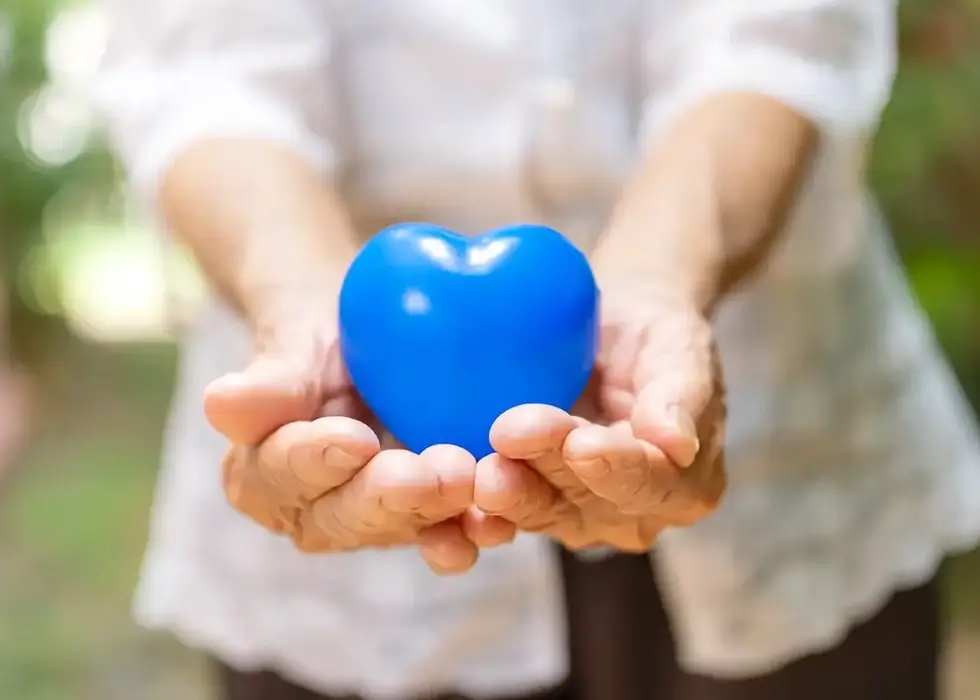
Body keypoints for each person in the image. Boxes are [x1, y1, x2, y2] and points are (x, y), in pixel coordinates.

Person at [94, 1, 980, 699]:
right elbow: (204, 75)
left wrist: (665, 274)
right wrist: (296, 305)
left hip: (783, 468)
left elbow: (775, 30)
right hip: (347, 578)